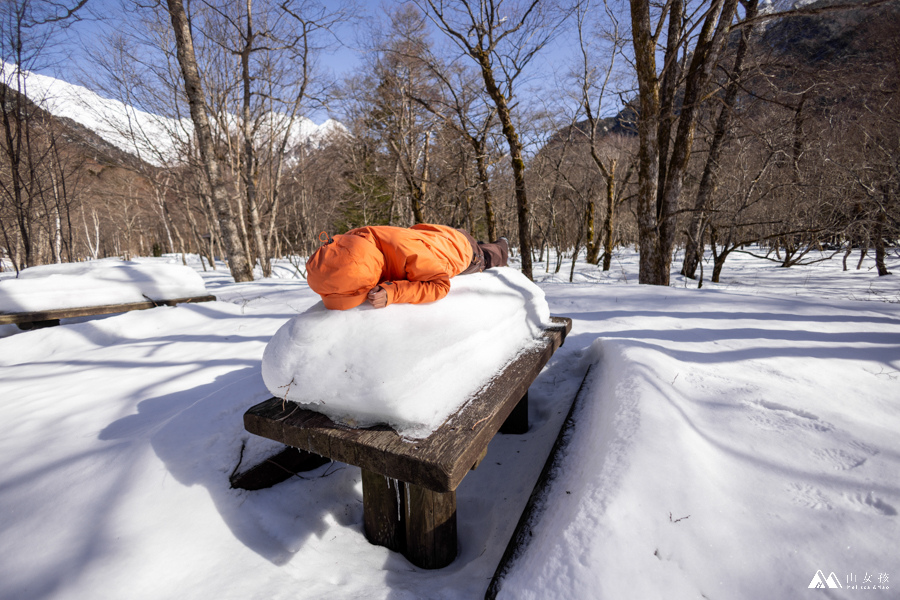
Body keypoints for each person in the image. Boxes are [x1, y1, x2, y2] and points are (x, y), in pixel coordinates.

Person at [306, 223, 509, 310]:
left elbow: (440, 285)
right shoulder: (356, 240)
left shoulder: (409, 255)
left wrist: (394, 293)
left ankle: (503, 245)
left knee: (490, 256)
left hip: (461, 250)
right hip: (431, 236)